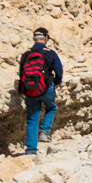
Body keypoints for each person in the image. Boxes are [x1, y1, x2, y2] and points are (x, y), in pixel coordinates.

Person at [17, 27, 63, 155]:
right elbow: (59, 71)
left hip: (30, 89)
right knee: (51, 108)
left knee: (32, 117)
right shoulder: (50, 53)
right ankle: (44, 131)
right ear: (46, 38)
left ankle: (31, 149)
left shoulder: (26, 54)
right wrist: (56, 83)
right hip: (46, 87)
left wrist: (23, 89)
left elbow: (21, 74)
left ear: (34, 39)